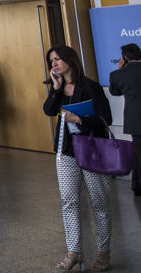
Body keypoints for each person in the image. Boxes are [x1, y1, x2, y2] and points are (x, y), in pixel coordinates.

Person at [43, 45, 113, 272]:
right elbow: (49, 111)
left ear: (70, 60)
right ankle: (74, 250)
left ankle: (103, 251)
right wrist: (55, 88)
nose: (54, 63)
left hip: (93, 150)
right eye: (51, 61)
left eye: (58, 59)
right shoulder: (58, 88)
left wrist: (79, 119)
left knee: (99, 203)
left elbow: (106, 118)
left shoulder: (90, 86)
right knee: (69, 202)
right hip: (66, 151)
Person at [108, 43, 141, 198]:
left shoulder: (117, 74)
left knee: (138, 153)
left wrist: (121, 70)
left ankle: (138, 186)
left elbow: (114, 92)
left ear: (125, 58)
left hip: (135, 119)